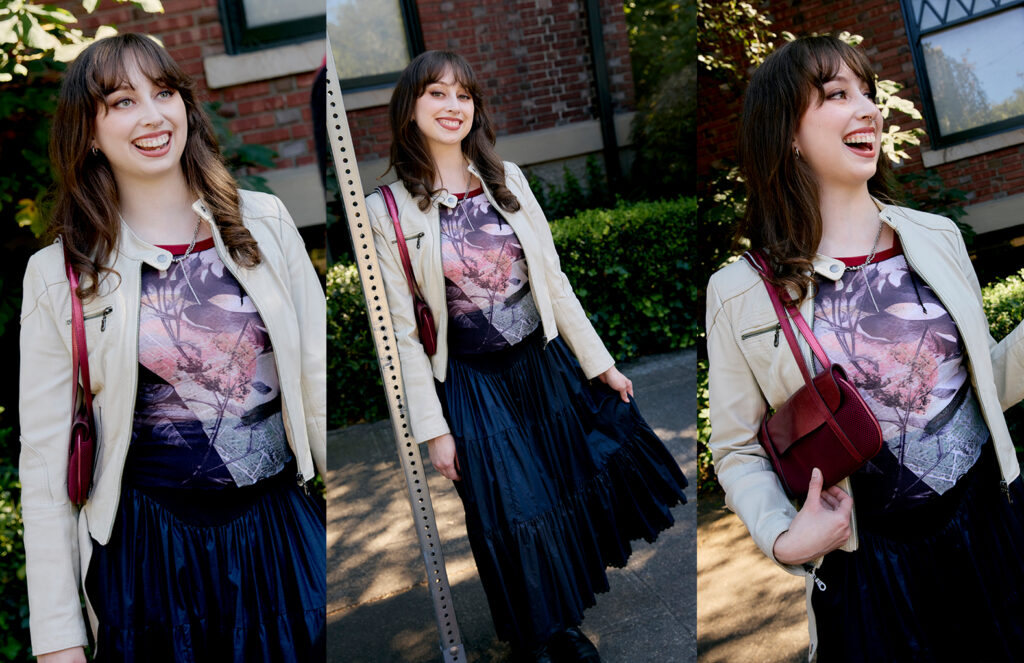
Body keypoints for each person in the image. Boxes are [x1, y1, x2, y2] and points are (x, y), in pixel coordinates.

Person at [706, 35, 1024, 662]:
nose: (868, 110)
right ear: (788, 135)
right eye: (835, 96)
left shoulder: (934, 237)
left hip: (989, 526)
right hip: (873, 565)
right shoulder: (739, 290)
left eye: (869, 94)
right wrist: (782, 537)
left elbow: (984, 379)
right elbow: (738, 449)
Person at [365, 50, 688, 662]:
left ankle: (559, 622)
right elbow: (401, 335)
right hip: (472, 381)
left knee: (562, 490)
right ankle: (537, 639)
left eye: (463, 95)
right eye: (437, 93)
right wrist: (432, 429)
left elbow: (554, 281)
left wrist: (601, 363)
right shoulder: (387, 212)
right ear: (410, 108)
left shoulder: (508, 179)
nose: (452, 106)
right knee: (511, 511)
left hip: (542, 366)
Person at [18, 34, 326, 662]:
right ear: (90, 133)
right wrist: (58, 639)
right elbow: (46, 468)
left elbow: (318, 382)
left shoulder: (263, 223)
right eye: (123, 102)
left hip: (279, 534)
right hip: (149, 559)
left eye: (164, 93)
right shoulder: (59, 274)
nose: (153, 115)